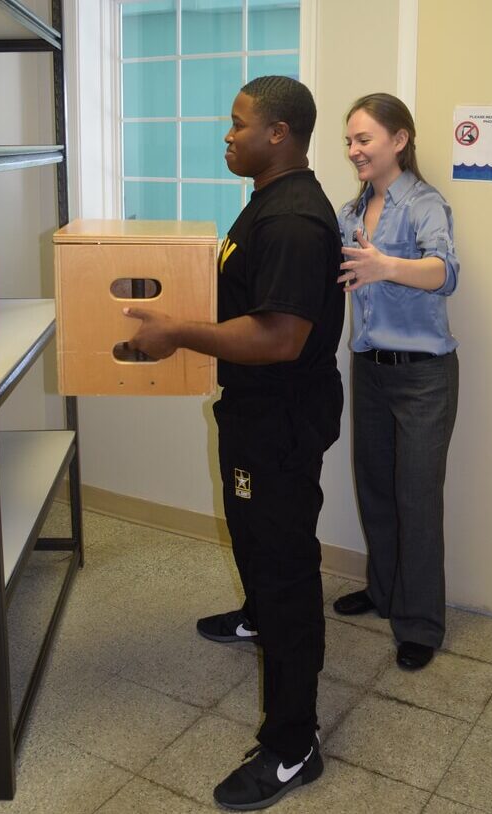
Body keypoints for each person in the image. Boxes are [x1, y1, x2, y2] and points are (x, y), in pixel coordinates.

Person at [124, 75, 344, 811]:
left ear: (278, 133)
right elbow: (248, 301)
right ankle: (257, 615)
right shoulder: (269, 206)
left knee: (284, 566)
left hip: (279, 425)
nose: (228, 134)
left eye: (238, 123)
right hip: (255, 414)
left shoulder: (291, 222)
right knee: (256, 542)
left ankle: (293, 745)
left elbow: (280, 337)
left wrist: (178, 335)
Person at [332, 93, 459, 671]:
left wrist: (387, 266)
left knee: (416, 498)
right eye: (350, 141)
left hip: (425, 377)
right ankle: (383, 593)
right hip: (370, 371)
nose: (354, 150)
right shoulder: (351, 213)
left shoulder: (426, 204)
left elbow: (444, 272)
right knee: (375, 488)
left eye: (364, 139)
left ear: (399, 139)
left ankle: (420, 623)